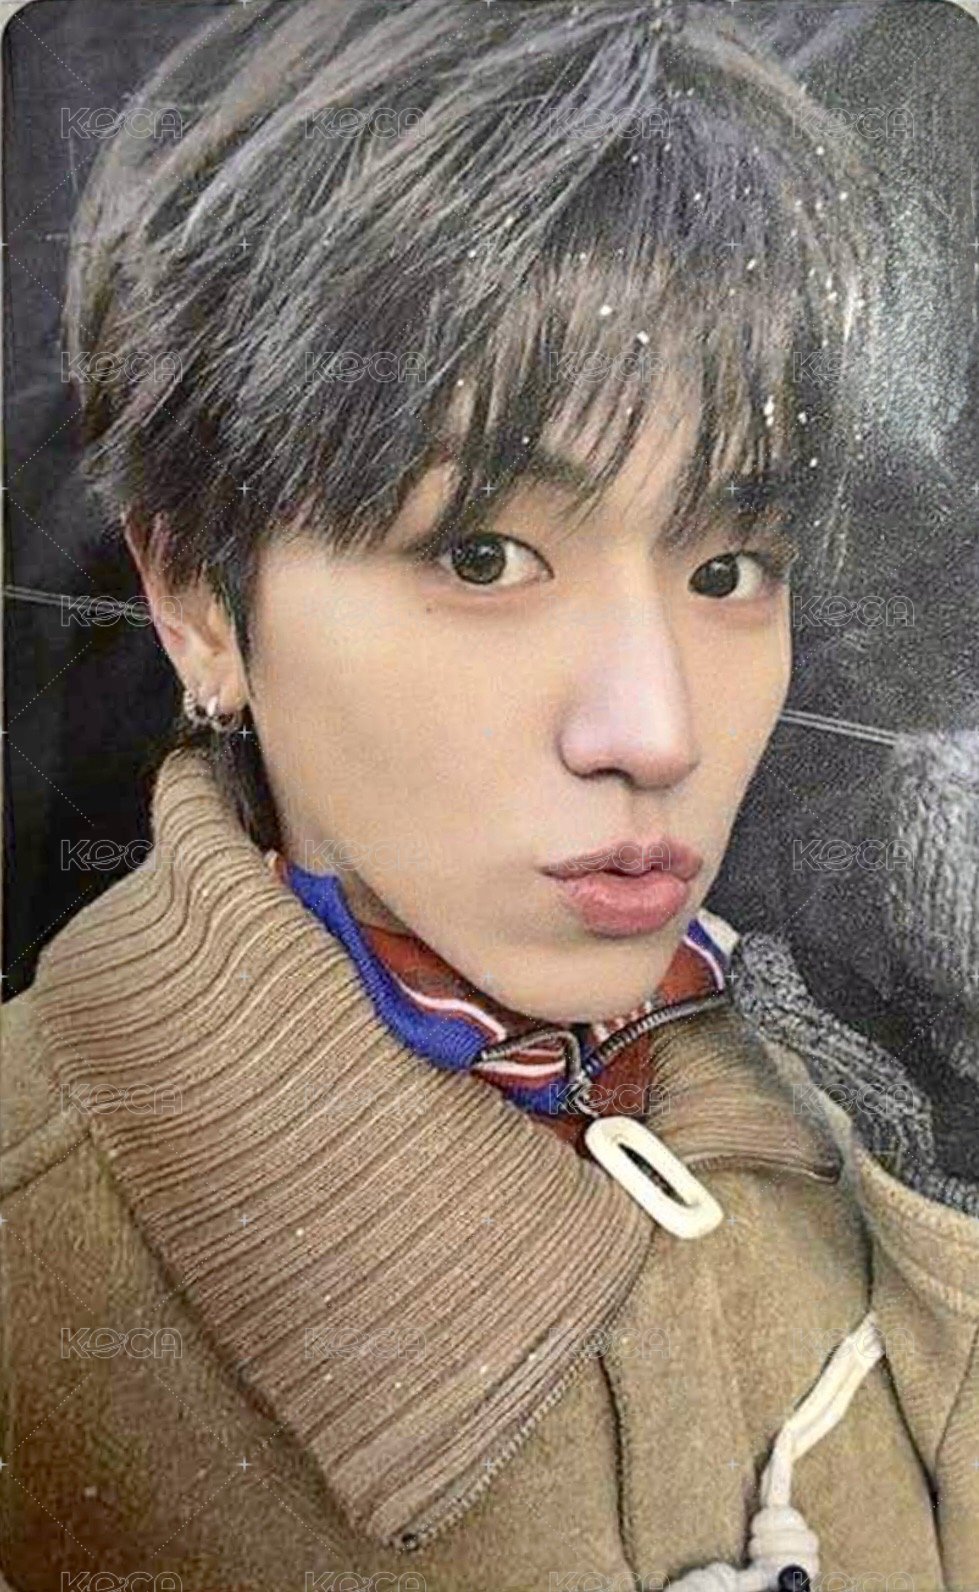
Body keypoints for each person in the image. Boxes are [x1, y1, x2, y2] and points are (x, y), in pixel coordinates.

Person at [2, 1, 977, 1588]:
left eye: (730, 566)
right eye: (482, 555)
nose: (657, 731)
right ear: (194, 600)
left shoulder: (851, 1075)